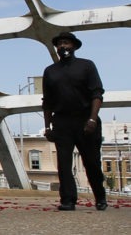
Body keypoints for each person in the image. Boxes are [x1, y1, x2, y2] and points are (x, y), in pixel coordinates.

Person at [41, 31, 106, 211]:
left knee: (92, 162)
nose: (63, 46)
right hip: (62, 122)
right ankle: (68, 200)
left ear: (74, 46)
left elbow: (97, 94)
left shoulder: (87, 66)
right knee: (64, 164)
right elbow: (47, 102)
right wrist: (47, 127)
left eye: (66, 43)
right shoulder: (50, 71)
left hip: (85, 119)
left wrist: (92, 119)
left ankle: (100, 196)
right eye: (60, 43)